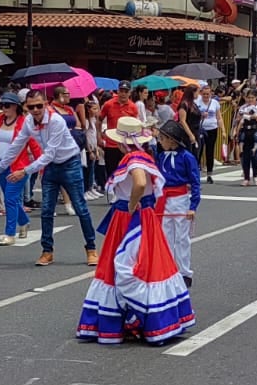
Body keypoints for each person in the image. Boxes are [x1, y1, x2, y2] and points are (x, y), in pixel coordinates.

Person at [77, 117, 194, 345]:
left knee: (124, 265)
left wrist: (131, 205)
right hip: (145, 216)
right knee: (150, 264)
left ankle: (129, 317)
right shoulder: (145, 157)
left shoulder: (134, 158)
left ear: (122, 142)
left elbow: (139, 184)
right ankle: (155, 318)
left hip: (130, 218)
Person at [16, 92, 99, 267]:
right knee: (46, 210)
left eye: (39, 105)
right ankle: (47, 251)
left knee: (80, 208)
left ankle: (91, 249)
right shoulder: (29, 122)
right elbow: (17, 144)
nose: (36, 110)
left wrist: (25, 171)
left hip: (70, 163)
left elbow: (49, 153)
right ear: (26, 107)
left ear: (45, 104)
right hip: (52, 167)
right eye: (31, 107)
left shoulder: (56, 121)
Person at [155, 119, 200, 285]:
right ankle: (167, 269)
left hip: (181, 200)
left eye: (162, 138)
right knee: (165, 237)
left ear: (172, 140)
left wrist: (193, 206)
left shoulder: (187, 157)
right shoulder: (160, 156)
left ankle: (184, 272)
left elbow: (195, 181)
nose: (160, 141)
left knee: (182, 238)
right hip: (163, 200)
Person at [0, 91, 36, 247]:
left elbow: (34, 145)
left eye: (8, 105)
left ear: (16, 107)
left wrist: (40, 165)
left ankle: (10, 233)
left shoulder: (25, 123)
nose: (4, 108)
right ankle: (23, 221)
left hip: (18, 167)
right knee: (12, 199)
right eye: (2, 105)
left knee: (10, 198)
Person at [99, 81, 140, 183]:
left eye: (126, 91)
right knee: (111, 171)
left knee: (125, 170)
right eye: (121, 91)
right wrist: (98, 137)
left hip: (127, 145)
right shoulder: (108, 104)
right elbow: (99, 120)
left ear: (129, 93)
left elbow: (136, 125)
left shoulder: (133, 107)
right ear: (118, 91)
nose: (123, 94)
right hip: (111, 143)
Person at [235, 92, 257, 186]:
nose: (250, 99)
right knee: (245, 157)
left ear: (256, 98)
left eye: (252, 97)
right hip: (245, 130)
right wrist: (243, 116)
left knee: (255, 156)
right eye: (248, 97)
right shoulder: (243, 107)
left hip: (255, 130)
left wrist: (256, 117)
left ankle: (255, 176)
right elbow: (238, 119)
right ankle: (246, 177)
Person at [194, 85, 221, 184]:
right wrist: (201, 115)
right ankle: (197, 173)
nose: (206, 96)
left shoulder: (215, 103)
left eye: (208, 94)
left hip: (212, 128)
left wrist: (223, 130)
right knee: (198, 151)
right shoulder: (197, 103)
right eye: (204, 94)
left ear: (211, 94)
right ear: (201, 93)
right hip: (201, 129)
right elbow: (193, 116)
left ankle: (210, 174)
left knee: (210, 151)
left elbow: (219, 117)